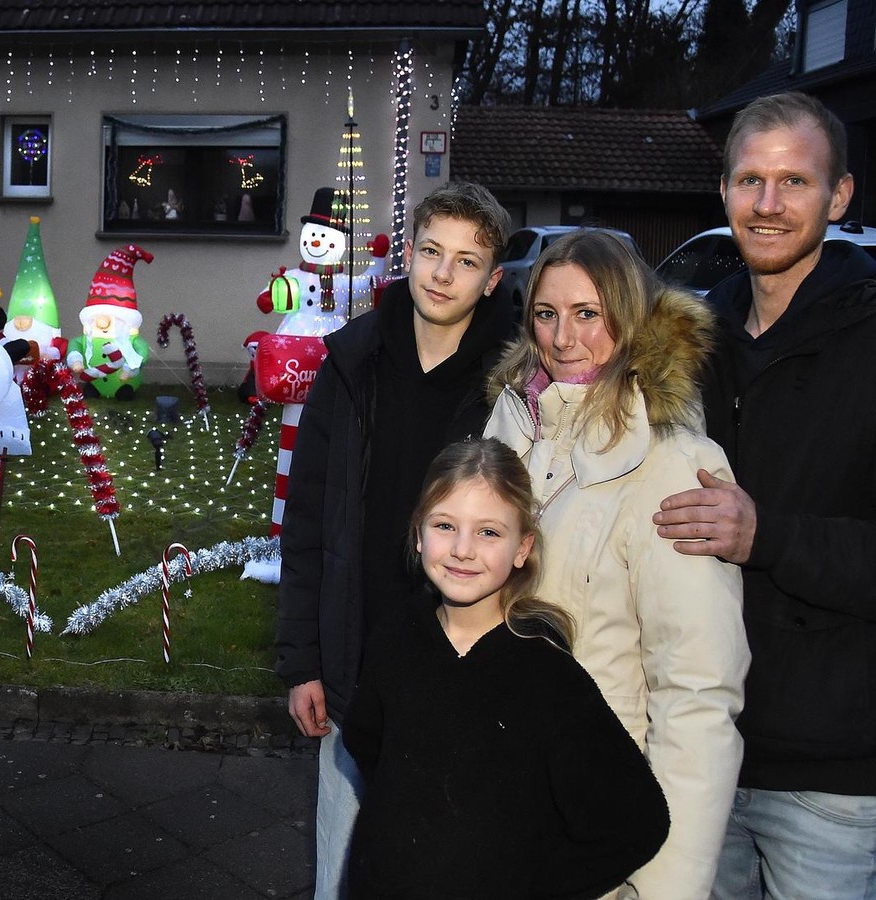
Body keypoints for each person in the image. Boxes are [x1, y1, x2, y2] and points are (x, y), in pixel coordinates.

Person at [649, 92, 876, 899]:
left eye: (795, 182)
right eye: (750, 180)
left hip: (832, 776)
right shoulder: (689, 344)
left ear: (839, 196)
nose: (769, 205)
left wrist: (766, 536)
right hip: (696, 751)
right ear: (723, 193)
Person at [485, 229, 748, 898]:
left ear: (629, 319)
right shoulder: (510, 426)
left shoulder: (673, 466)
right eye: (546, 314)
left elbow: (696, 694)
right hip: (500, 809)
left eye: (587, 314)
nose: (564, 338)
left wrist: (661, 886)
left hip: (599, 827)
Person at [275, 180, 515, 899]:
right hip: (358, 663)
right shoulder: (350, 366)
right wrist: (303, 662)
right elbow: (308, 518)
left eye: (467, 261)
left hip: (462, 674)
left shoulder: (513, 386)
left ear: (493, 279)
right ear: (406, 255)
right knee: (343, 873)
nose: (443, 274)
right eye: (432, 252)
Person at [342, 437, 669, 899]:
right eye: (444, 525)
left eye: (489, 532)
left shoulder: (547, 676)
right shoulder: (393, 639)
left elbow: (636, 821)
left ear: (522, 547)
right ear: (418, 534)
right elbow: (366, 741)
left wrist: (531, 882)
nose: (462, 549)